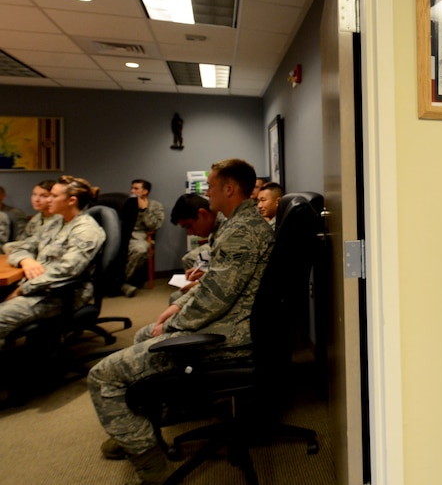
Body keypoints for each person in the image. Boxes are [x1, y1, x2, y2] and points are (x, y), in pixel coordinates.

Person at [88, 159, 274, 484]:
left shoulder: (241, 231)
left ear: (229, 189)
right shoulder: (237, 225)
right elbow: (211, 285)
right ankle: (139, 424)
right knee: (145, 333)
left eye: (211, 187)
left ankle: (151, 468)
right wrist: (173, 313)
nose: (207, 193)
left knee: (102, 376)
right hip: (230, 325)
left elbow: (215, 299)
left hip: (227, 338)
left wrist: (172, 326)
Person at [0, 176, 105, 340]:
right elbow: (18, 247)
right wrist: (25, 260)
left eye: (54, 196)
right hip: (38, 286)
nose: (48, 199)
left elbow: (68, 270)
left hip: (60, 294)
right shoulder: (56, 222)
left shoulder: (85, 229)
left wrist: (22, 289)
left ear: (71, 200)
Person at [168, 193, 225, 302]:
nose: (190, 233)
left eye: (189, 226)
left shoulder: (227, 233)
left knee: (176, 298)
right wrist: (205, 275)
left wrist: (200, 283)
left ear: (203, 214)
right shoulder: (216, 231)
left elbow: (230, 279)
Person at [121, 179, 164, 297]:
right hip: (122, 235)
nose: (132, 191)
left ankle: (120, 282)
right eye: (132, 188)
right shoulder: (126, 202)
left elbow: (154, 226)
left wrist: (144, 210)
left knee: (141, 249)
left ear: (145, 191)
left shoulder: (155, 206)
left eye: (136, 189)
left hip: (139, 237)